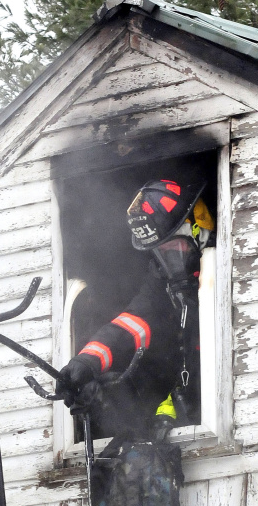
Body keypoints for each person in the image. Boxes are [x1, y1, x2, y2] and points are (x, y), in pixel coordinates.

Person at [57, 177, 215, 439]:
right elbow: (131, 325)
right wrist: (87, 361)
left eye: (174, 247)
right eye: (161, 253)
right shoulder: (160, 282)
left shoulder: (224, 267)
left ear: (199, 228)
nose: (170, 262)